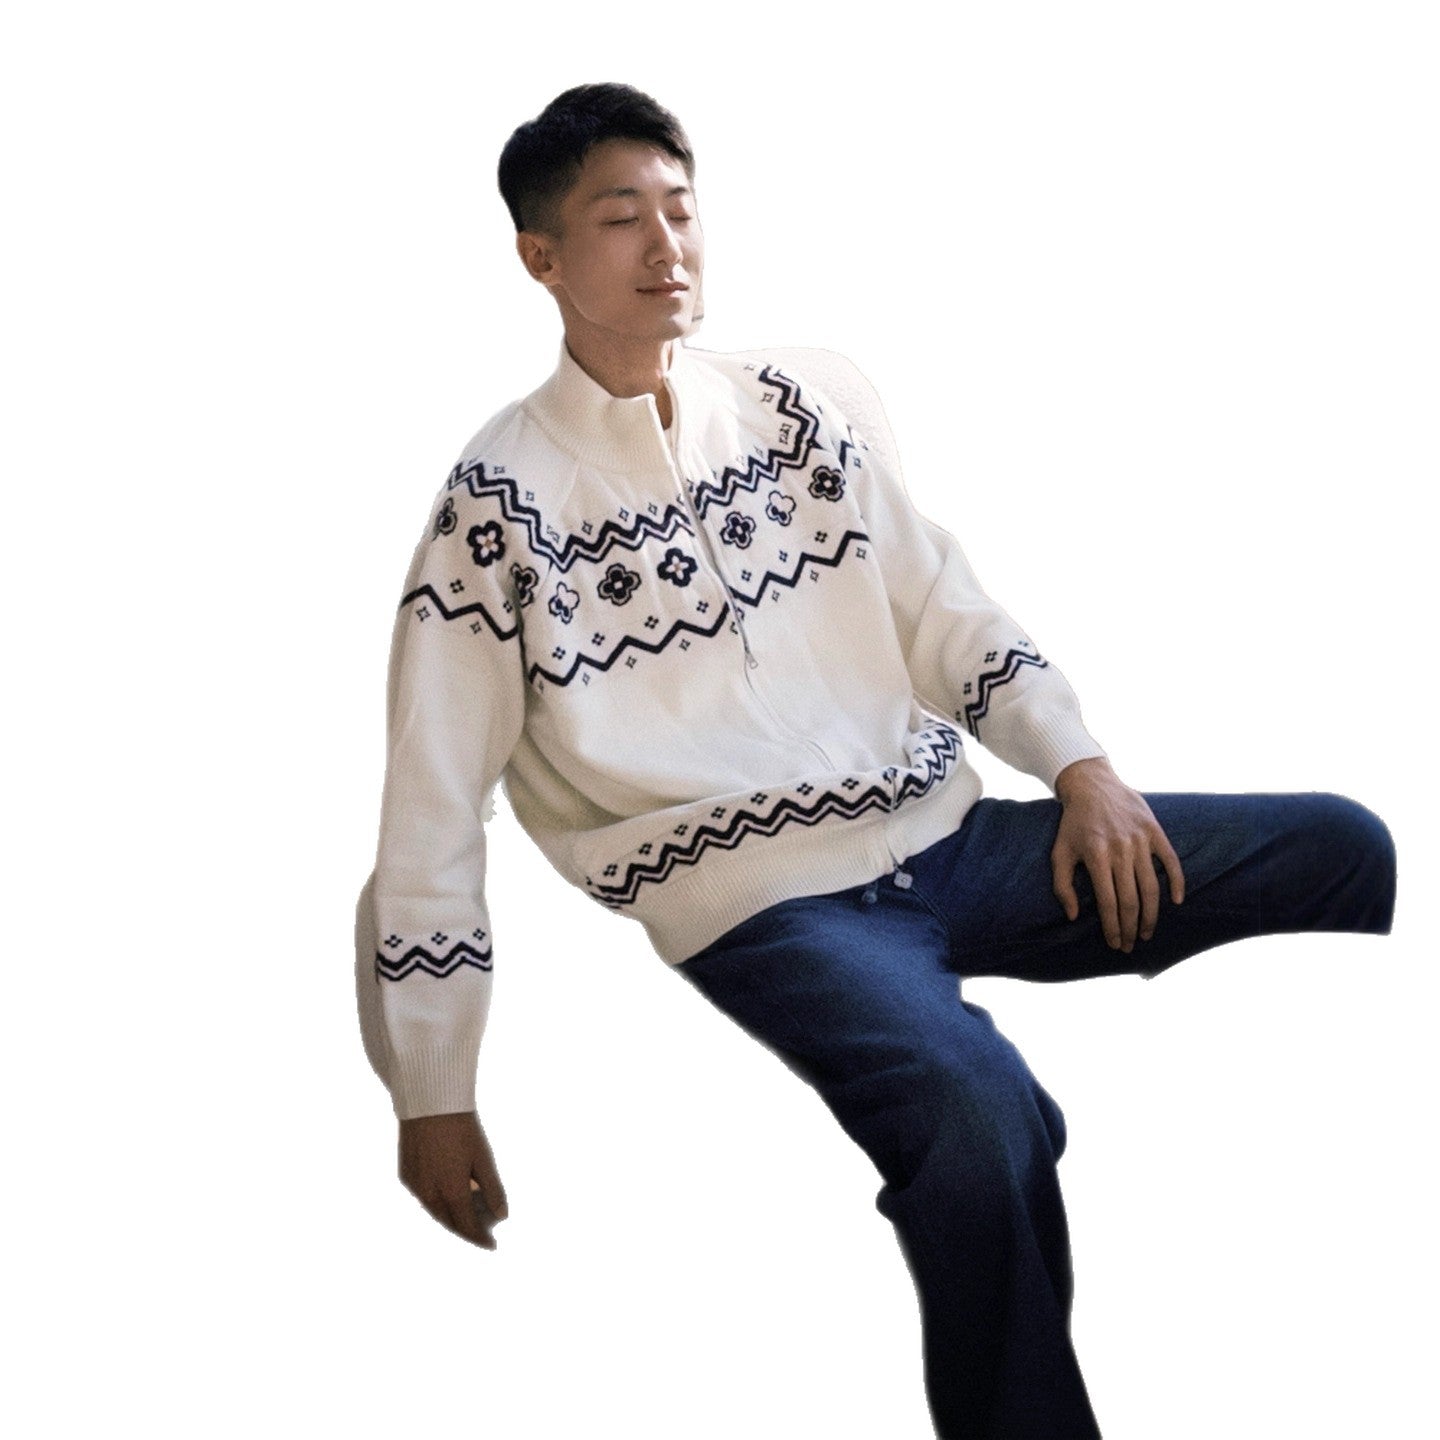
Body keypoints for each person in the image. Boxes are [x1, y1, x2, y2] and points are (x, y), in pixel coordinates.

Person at [355, 82, 1397, 1439]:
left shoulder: (792, 408)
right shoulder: (494, 509)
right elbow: (431, 808)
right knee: (978, 1113)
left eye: (682, 208)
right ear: (540, 257)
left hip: (952, 841)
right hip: (768, 912)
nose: (668, 244)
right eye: (621, 219)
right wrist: (432, 1092)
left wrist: (1081, 770)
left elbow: (943, 613)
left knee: (1347, 845)